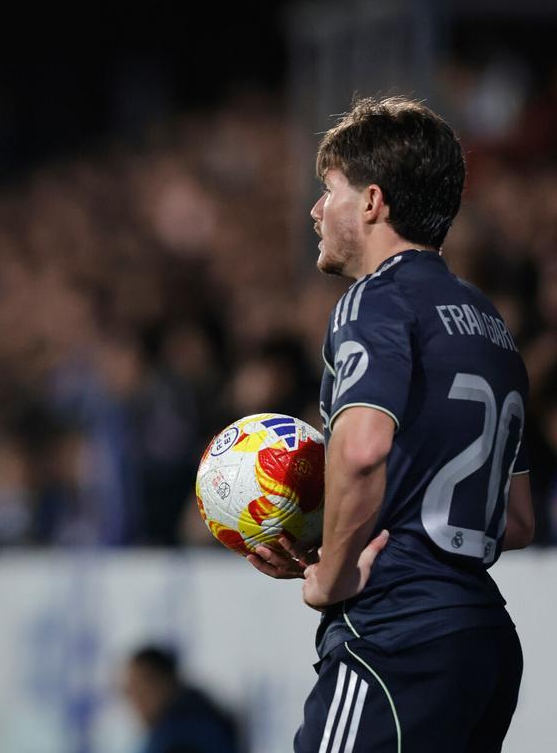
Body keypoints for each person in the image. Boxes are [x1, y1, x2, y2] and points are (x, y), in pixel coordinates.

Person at [246, 97, 532, 751]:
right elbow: (516, 521)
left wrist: (336, 570)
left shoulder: (376, 299)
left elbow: (363, 448)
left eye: (329, 190)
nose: (317, 210)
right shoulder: (489, 324)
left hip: (397, 638)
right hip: (483, 645)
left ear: (371, 202)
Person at [120, 646, 241, 753]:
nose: (136, 701)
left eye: (142, 689)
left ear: (164, 682)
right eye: (131, 692)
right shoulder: (168, 730)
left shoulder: (189, 731)